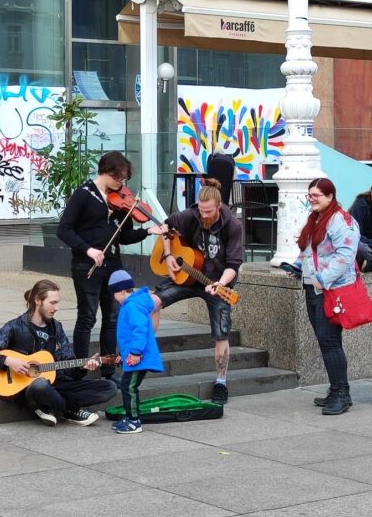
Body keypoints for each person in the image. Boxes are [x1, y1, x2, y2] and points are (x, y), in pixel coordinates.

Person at [57, 151, 161, 380]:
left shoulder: (122, 200)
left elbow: (124, 236)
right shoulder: (84, 194)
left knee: (112, 316)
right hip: (87, 264)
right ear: (106, 172)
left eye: (124, 179)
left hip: (113, 263)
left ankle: (108, 369)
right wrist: (88, 249)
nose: (121, 184)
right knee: (87, 316)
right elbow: (63, 229)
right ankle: (79, 367)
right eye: (119, 178)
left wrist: (147, 231)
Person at [0, 279, 117, 426]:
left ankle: (52, 406)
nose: (57, 308)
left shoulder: (56, 328)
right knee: (40, 385)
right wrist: (8, 361)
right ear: (38, 300)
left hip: (55, 384)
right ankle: (70, 410)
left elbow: (69, 368)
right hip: (24, 389)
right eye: (53, 303)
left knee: (109, 387)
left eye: (58, 302)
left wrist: (82, 367)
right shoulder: (15, 327)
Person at [153, 177, 243, 405]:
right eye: (201, 210)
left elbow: (233, 265)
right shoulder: (190, 215)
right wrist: (169, 255)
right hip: (186, 277)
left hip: (216, 283)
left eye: (209, 211)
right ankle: (144, 357)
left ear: (219, 206)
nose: (204, 215)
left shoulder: (232, 225)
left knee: (221, 332)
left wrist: (221, 284)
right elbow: (166, 227)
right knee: (150, 302)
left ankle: (221, 382)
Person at [291, 177, 360, 415]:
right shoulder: (317, 218)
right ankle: (336, 389)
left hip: (331, 289)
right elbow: (309, 251)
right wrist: (297, 267)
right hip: (314, 287)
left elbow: (346, 255)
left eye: (316, 195)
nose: (311, 199)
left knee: (329, 341)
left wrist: (322, 279)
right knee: (326, 341)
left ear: (330, 196)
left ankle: (343, 393)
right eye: (310, 195)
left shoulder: (342, 221)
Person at [107, 269, 163, 435]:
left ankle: (134, 421)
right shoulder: (133, 304)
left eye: (114, 293)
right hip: (134, 356)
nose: (114, 297)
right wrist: (121, 355)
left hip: (139, 357)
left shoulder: (131, 306)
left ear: (123, 291)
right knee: (129, 386)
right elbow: (128, 335)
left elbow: (139, 330)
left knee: (128, 387)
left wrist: (136, 353)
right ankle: (131, 417)